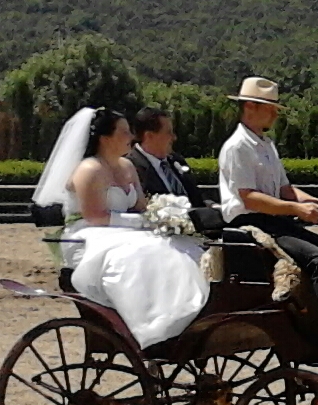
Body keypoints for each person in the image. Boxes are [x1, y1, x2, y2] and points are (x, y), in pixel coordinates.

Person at [217, 76, 318, 346]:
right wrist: (297, 209)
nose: (274, 113)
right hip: (252, 225)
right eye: (269, 107)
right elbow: (249, 198)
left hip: (275, 220)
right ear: (249, 106)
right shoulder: (237, 147)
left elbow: (285, 188)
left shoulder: (266, 145)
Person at [32, 107, 209, 348]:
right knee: (138, 254)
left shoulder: (127, 168)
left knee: (176, 245)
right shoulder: (89, 169)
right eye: (124, 132)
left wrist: (163, 217)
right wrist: (142, 222)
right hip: (88, 236)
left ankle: (185, 314)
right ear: (106, 138)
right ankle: (152, 324)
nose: (131, 137)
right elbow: (95, 217)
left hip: (124, 234)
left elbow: (141, 206)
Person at [127, 106, 209, 208]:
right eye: (168, 132)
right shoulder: (130, 168)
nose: (174, 138)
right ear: (149, 136)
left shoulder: (177, 161)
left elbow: (197, 199)